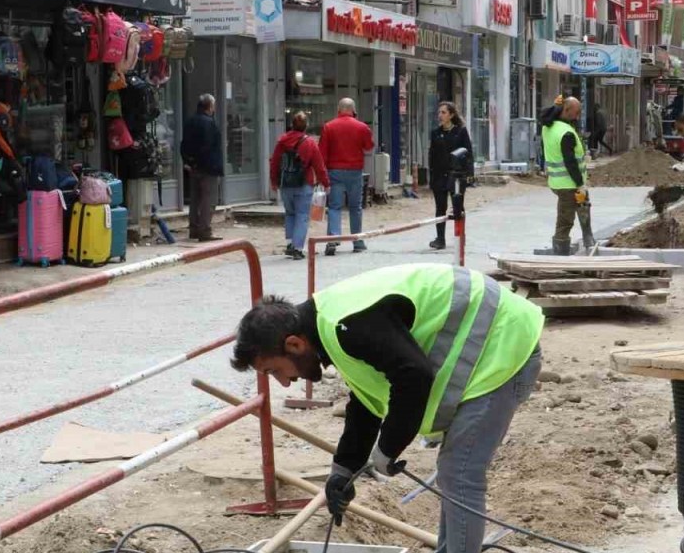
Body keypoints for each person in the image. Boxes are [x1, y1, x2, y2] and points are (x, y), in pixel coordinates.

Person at [229, 263, 543, 553]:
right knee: (454, 472)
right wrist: (343, 470)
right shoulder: (332, 329)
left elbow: (413, 376)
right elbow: (365, 402)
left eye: (275, 371)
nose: (284, 383)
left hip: (504, 345)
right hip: (491, 346)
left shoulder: (347, 324)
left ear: (295, 344)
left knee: (460, 473)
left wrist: (387, 448)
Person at [270, 112, 329, 260]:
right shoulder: (309, 143)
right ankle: (297, 248)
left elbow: (275, 162)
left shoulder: (282, 141)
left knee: (290, 213)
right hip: (304, 183)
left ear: (292, 124)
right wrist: (325, 182)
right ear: (306, 126)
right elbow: (319, 165)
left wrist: (274, 181)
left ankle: (290, 243)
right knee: (302, 216)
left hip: (285, 184)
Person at [319, 98, 374, 256]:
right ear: (353, 110)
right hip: (354, 171)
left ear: (338, 109)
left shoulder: (328, 127)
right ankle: (357, 241)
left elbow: (322, 152)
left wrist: (322, 175)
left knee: (335, 206)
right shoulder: (361, 127)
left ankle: (333, 238)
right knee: (355, 207)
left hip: (334, 171)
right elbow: (369, 146)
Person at [542, 96, 595, 254]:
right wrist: (580, 184)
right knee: (565, 220)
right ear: (566, 110)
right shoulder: (566, 133)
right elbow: (570, 162)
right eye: (576, 112)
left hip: (558, 182)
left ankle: (589, 239)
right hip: (568, 184)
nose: (577, 116)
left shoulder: (548, 127)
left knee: (583, 205)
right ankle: (560, 253)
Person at [427, 102, 472, 250]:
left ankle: (460, 237)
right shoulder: (435, 133)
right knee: (440, 207)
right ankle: (440, 239)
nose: (440, 115)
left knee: (458, 207)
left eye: (444, 112)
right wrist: (431, 176)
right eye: (439, 112)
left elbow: (468, 153)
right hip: (439, 175)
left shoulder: (460, 132)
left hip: (456, 175)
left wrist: (469, 175)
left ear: (451, 115)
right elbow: (432, 155)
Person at [181, 94, 223, 241]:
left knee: (195, 199)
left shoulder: (190, 121)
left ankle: (194, 229)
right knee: (208, 200)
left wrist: (189, 161)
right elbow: (209, 146)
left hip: (194, 167)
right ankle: (205, 230)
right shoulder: (210, 123)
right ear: (210, 107)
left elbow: (184, 144)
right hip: (208, 167)